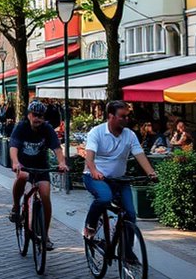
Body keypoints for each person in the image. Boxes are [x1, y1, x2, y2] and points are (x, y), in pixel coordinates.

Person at [82, 100, 158, 240]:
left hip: (119, 179)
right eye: (122, 116)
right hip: (96, 178)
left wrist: (151, 173)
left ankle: (128, 254)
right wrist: (94, 171)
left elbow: (139, 155)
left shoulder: (130, 135)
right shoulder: (96, 133)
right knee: (105, 198)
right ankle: (90, 224)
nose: (126, 119)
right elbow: (89, 157)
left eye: (127, 116)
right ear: (111, 116)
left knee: (130, 214)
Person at [9, 101, 69, 250]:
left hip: (42, 167)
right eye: (35, 115)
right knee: (22, 176)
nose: (38, 119)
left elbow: (57, 148)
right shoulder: (21, 127)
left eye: (41, 116)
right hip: (24, 165)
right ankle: (16, 207)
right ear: (29, 115)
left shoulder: (47, 129)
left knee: (45, 196)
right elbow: (13, 146)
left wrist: (62, 162)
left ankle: (45, 234)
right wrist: (15, 162)